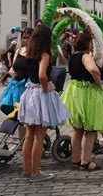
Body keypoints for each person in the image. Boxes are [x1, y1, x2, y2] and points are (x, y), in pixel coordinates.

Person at [18, 25, 70, 181]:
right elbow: (42, 74)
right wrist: (47, 85)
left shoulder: (29, 53)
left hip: (29, 93)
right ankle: (35, 172)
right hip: (40, 94)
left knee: (28, 136)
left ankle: (27, 170)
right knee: (39, 137)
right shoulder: (44, 55)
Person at [61, 31, 103, 170]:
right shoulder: (85, 56)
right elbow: (94, 70)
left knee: (77, 129)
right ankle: (85, 161)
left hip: (75, 93)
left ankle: (76, 159)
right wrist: (98, 83)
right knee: (90, 130)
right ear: (88, 44)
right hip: (88, 94)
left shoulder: (73, 57)